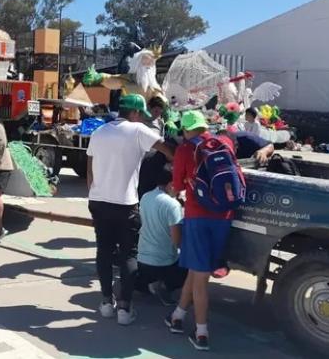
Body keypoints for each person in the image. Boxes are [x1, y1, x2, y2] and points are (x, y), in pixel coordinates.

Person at [87, 94, 173, 326]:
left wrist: (95, 194)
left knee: (104, 251)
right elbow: (168, 150)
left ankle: (106, 303)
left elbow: (90, 170)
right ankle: (124, 307)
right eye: (141, 115)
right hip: (125, 203)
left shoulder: (99, 132)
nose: (143, 120)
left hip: (98, 201)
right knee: (128, 254)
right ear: (134, 113)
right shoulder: (138, 131)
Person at [166, 110, 236, 351]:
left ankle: (201, 333)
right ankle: (177, 316)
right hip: (224, 217)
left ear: (185, 130)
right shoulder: (224, 143)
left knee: (200, 279)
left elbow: (176, 186)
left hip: (197, 217)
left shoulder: (185, 150)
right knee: (197, 272)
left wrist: (173, 190)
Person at [136, 169, 187, 307]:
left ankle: (149, 284)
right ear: (171, 184)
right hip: (163, 263)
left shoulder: (145, 197)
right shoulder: (173, 205)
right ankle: (165, 287)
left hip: (142, 260)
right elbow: (177, 241)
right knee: (189, 262)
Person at [138, 96, 170, 198]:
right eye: (156, 111)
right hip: (141, 160)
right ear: (148, 108)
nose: (157, 114)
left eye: (160, 112)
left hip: (154, 160)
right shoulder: (139, 120)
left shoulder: (160, 122)